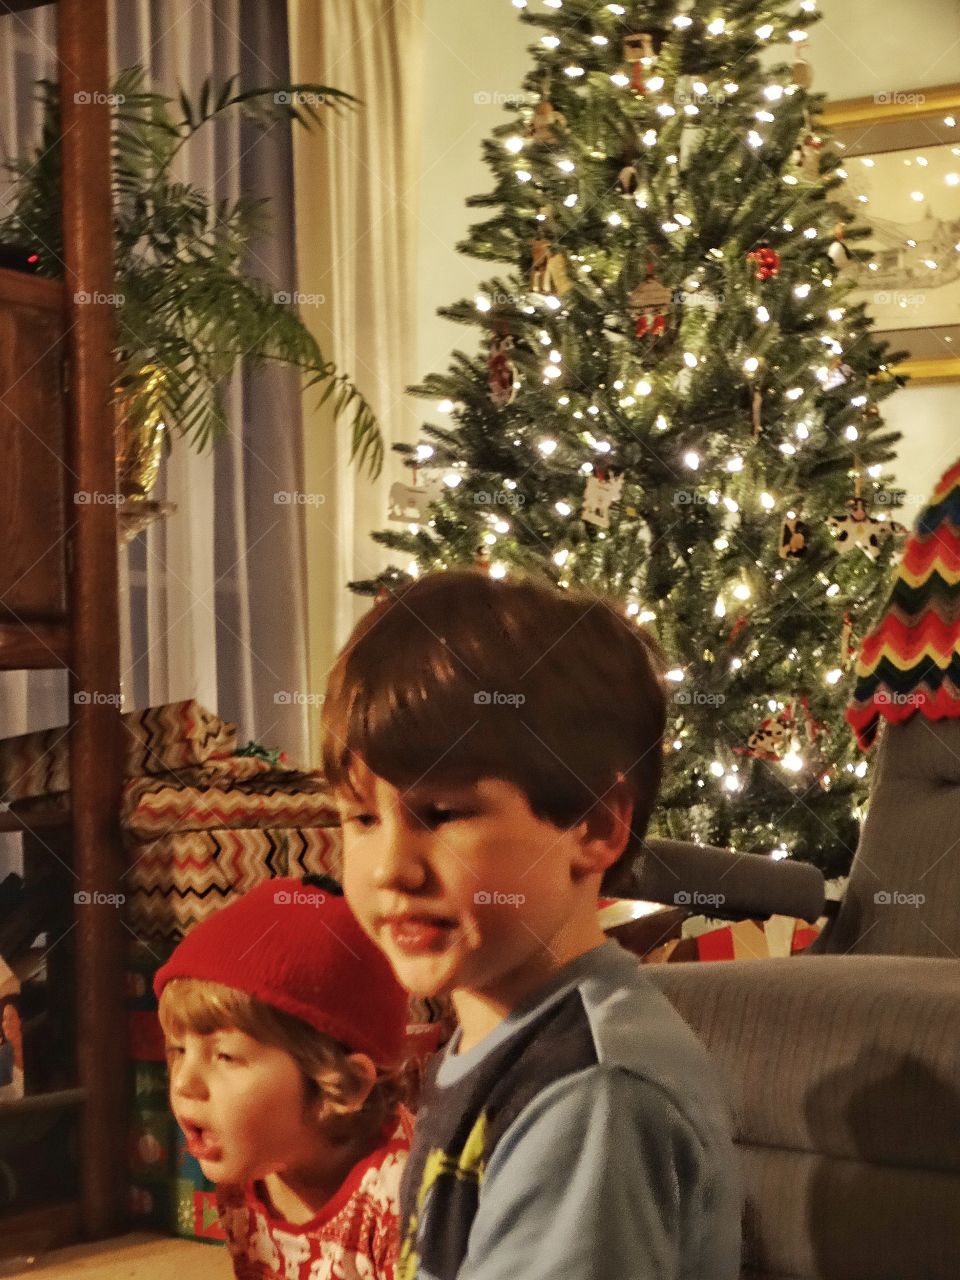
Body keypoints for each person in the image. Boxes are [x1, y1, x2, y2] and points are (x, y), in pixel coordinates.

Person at [320, 568, 742, 1280]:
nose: (392, 866)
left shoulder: (588, 1097)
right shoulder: (508, 1028)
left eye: (444, 814)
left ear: (595, 826)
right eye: (361, 818)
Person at [155, 876, 413, 1280]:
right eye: (178, 1050)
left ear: (342, 1085)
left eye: (225, 1055)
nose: (184, 1082)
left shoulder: (404, 1198)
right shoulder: (247, 1172)